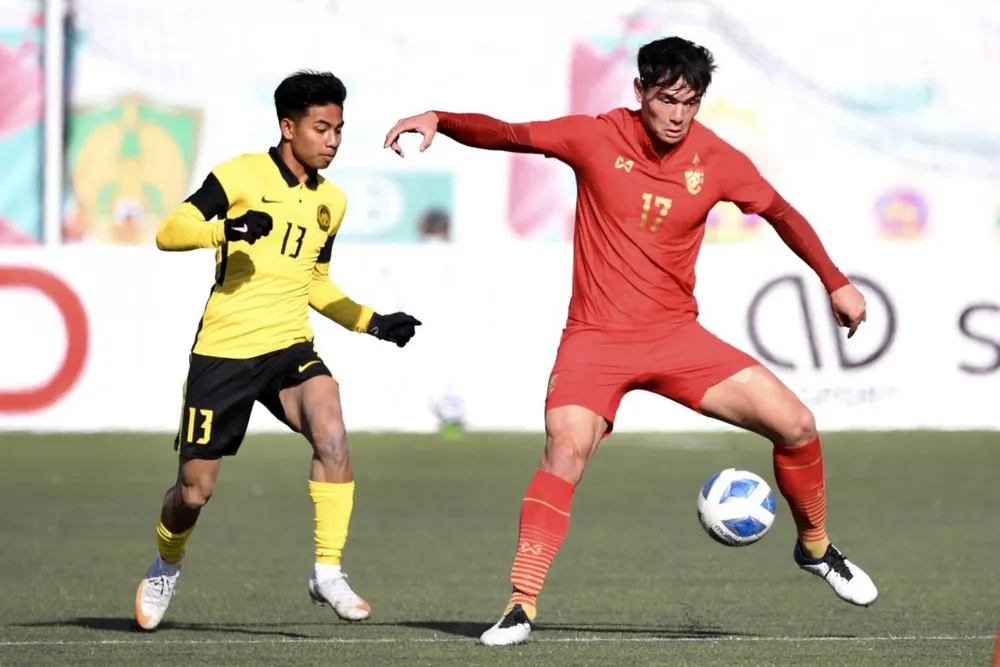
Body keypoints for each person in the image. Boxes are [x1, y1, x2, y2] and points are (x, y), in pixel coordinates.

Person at [383, 37, 878, 646]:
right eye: (667, 100)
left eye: (690, 103)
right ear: (640, 91)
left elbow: (781, 213)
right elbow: (508, 134)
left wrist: (835, 281)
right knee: (564, 453)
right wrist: (441, 119)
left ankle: (816, 548)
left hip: (676, 338)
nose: (677, 115)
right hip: (595, 341)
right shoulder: (593, 136)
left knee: (797, 424)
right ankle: (520, 605)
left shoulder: (717, 159)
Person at [134, 70, 421, 631]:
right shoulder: (240, 175)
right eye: (322, 128)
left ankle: (327, 571)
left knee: (331, 432)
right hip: (224, 352)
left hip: (289, 347)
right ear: (288, 128)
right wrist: (226, 230)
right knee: (193, 493)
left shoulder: (331, 202)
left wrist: (372, 323)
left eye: (339, 129)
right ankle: (166, 562)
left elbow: (315, 283)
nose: (333, 140)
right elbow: (170, 231)